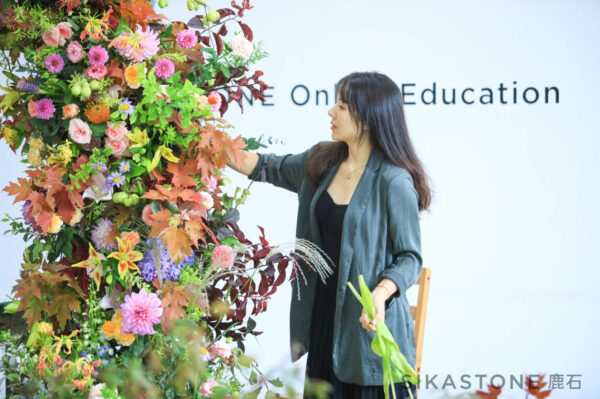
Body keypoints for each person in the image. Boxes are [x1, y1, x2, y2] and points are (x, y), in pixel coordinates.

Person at [226, 71, 432, 399]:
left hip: (366, 327)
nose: (331, 112)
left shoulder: (393, 180)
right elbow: (266, 165)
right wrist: (210, 141)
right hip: (324, 315)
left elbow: (410, 258)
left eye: (342, 105)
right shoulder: (322, 160)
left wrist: (380, 293)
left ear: (369, 115)